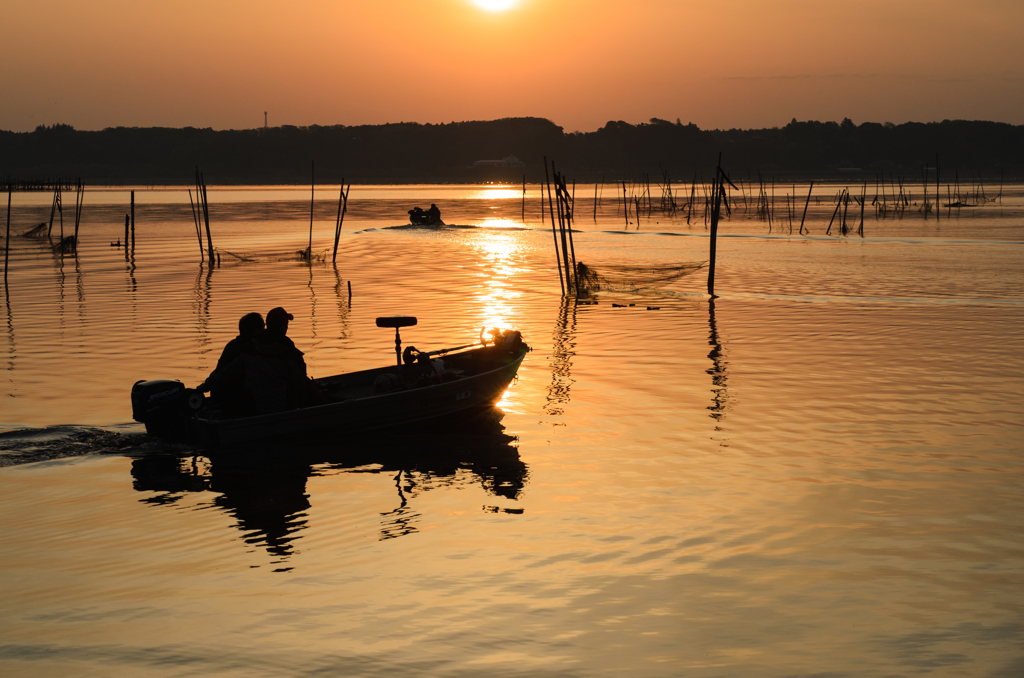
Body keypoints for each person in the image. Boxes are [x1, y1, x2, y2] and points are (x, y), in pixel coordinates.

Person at [199, 312, 264, 414]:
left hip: (220, 397)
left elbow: (219, 372)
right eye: (263, 329)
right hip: (238, 400)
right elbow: (227, 372)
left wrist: (206, 385)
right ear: (256, 332)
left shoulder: (231, 345)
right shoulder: (252, 350)